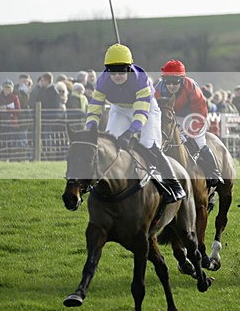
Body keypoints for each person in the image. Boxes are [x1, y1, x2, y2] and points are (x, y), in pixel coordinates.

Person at [86, 43, 186, 203]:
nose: (117, 75)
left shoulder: (141, 80)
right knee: (111, 146)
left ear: (129, 68)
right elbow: (95, 107)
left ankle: (173, 185)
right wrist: (90, 129)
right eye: (112, 71)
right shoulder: (102, 81)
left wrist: (130, 132)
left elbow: (141, 113)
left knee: (149, 145)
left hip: (146, 108)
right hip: (119, 109)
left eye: (121, 71)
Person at [154, 59, 223, 188]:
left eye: (175, 82)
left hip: (193, 117)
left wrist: (188, 132)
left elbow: (200, 113)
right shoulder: (158, 89)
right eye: (167, 82)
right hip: (171, 116)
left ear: (182, 80)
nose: (171, 86)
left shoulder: (191, 87)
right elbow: (155, 111)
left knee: (200, 142)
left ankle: (214, 173)